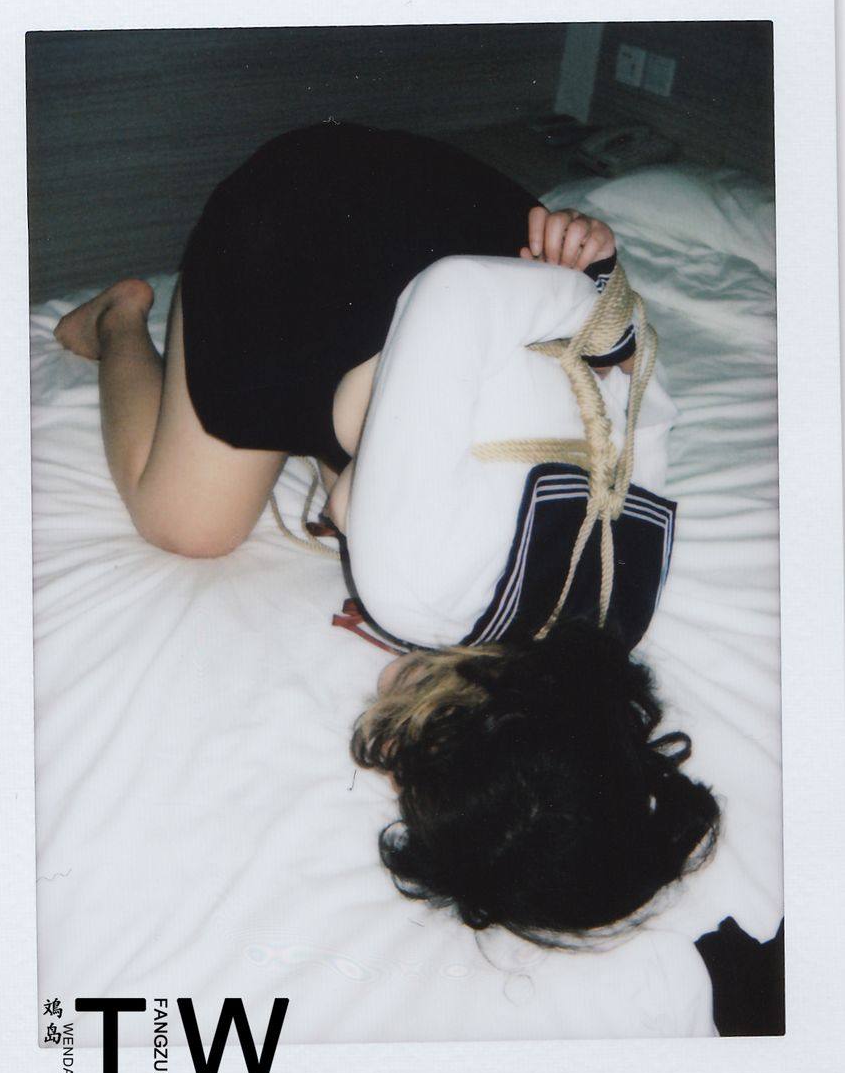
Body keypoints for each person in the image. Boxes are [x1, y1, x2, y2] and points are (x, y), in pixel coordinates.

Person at [55, 120, 719, 947]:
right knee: (187, 524)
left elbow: (640, 393)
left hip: (485, 231)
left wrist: (595, 290)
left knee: (330, 452)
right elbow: (455, 296)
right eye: (417, 777)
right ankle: (118, 322)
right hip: (325, 219)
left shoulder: (620, 606)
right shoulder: (417, 589)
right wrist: (359, 499)